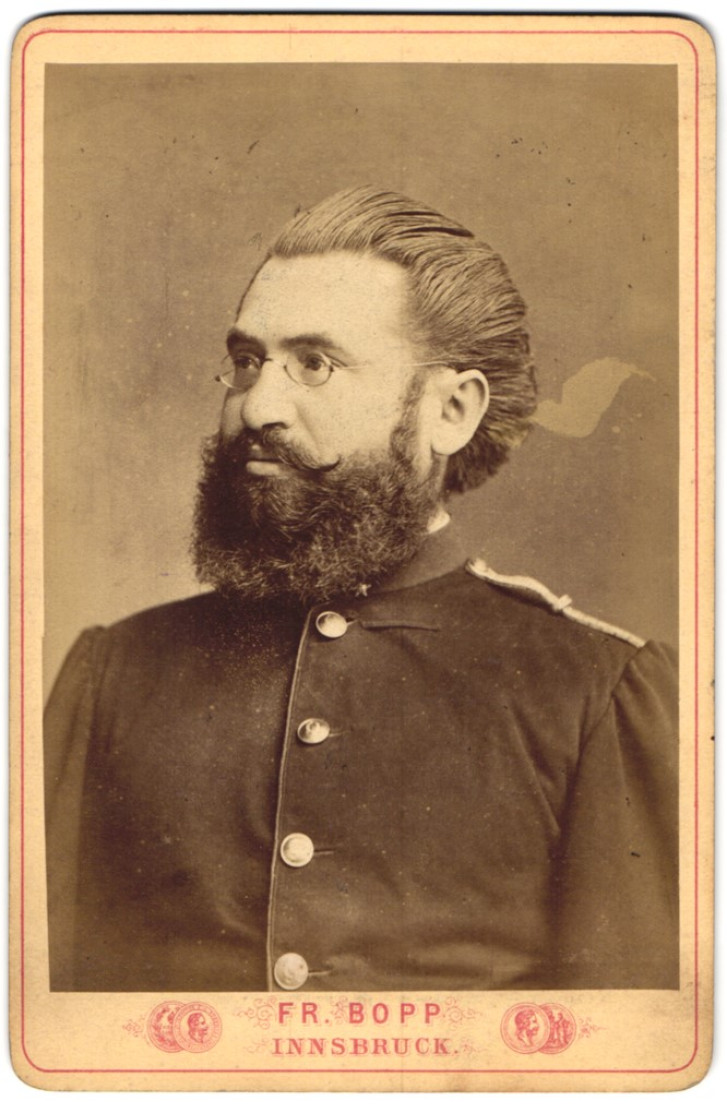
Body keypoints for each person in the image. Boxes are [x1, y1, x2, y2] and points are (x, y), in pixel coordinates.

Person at [44, 186, 678, 994]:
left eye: (315, 364)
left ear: (450, 411)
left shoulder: (596, 692)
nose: (257, 406)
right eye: (247, 361)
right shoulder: (113, 674)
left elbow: (625, 1065)